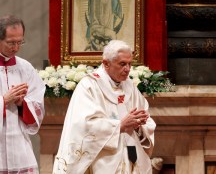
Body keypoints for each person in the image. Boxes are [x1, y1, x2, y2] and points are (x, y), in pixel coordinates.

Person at [53, 40, 156, 173]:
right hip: (103, 161)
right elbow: (83, 126)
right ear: (106, 64)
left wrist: (139, 126)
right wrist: (119, 126)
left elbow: (146, 119)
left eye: (130, 64)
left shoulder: (130, 86)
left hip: (131, 156)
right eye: (122, 64)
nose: (128, 69)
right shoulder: (89, 86)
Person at [0, 15, 45, 174]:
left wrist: (22, 104)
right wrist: (4, 100)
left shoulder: (25, 68)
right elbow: (5, 100)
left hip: (20, 147)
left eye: (20, 42)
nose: (16, 47)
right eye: (11, 43)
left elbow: (37, 106)